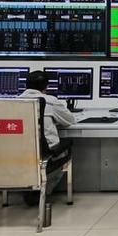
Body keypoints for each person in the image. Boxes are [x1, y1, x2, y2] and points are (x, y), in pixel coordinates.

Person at [19, 70, 75, 206]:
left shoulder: (13, 102)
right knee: (63, 151)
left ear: (26, 85)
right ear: (46, 87)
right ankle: (43, 191)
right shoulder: (50, 101)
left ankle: (27, 187)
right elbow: (69, 120)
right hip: (45, 154)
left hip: (18, 154)